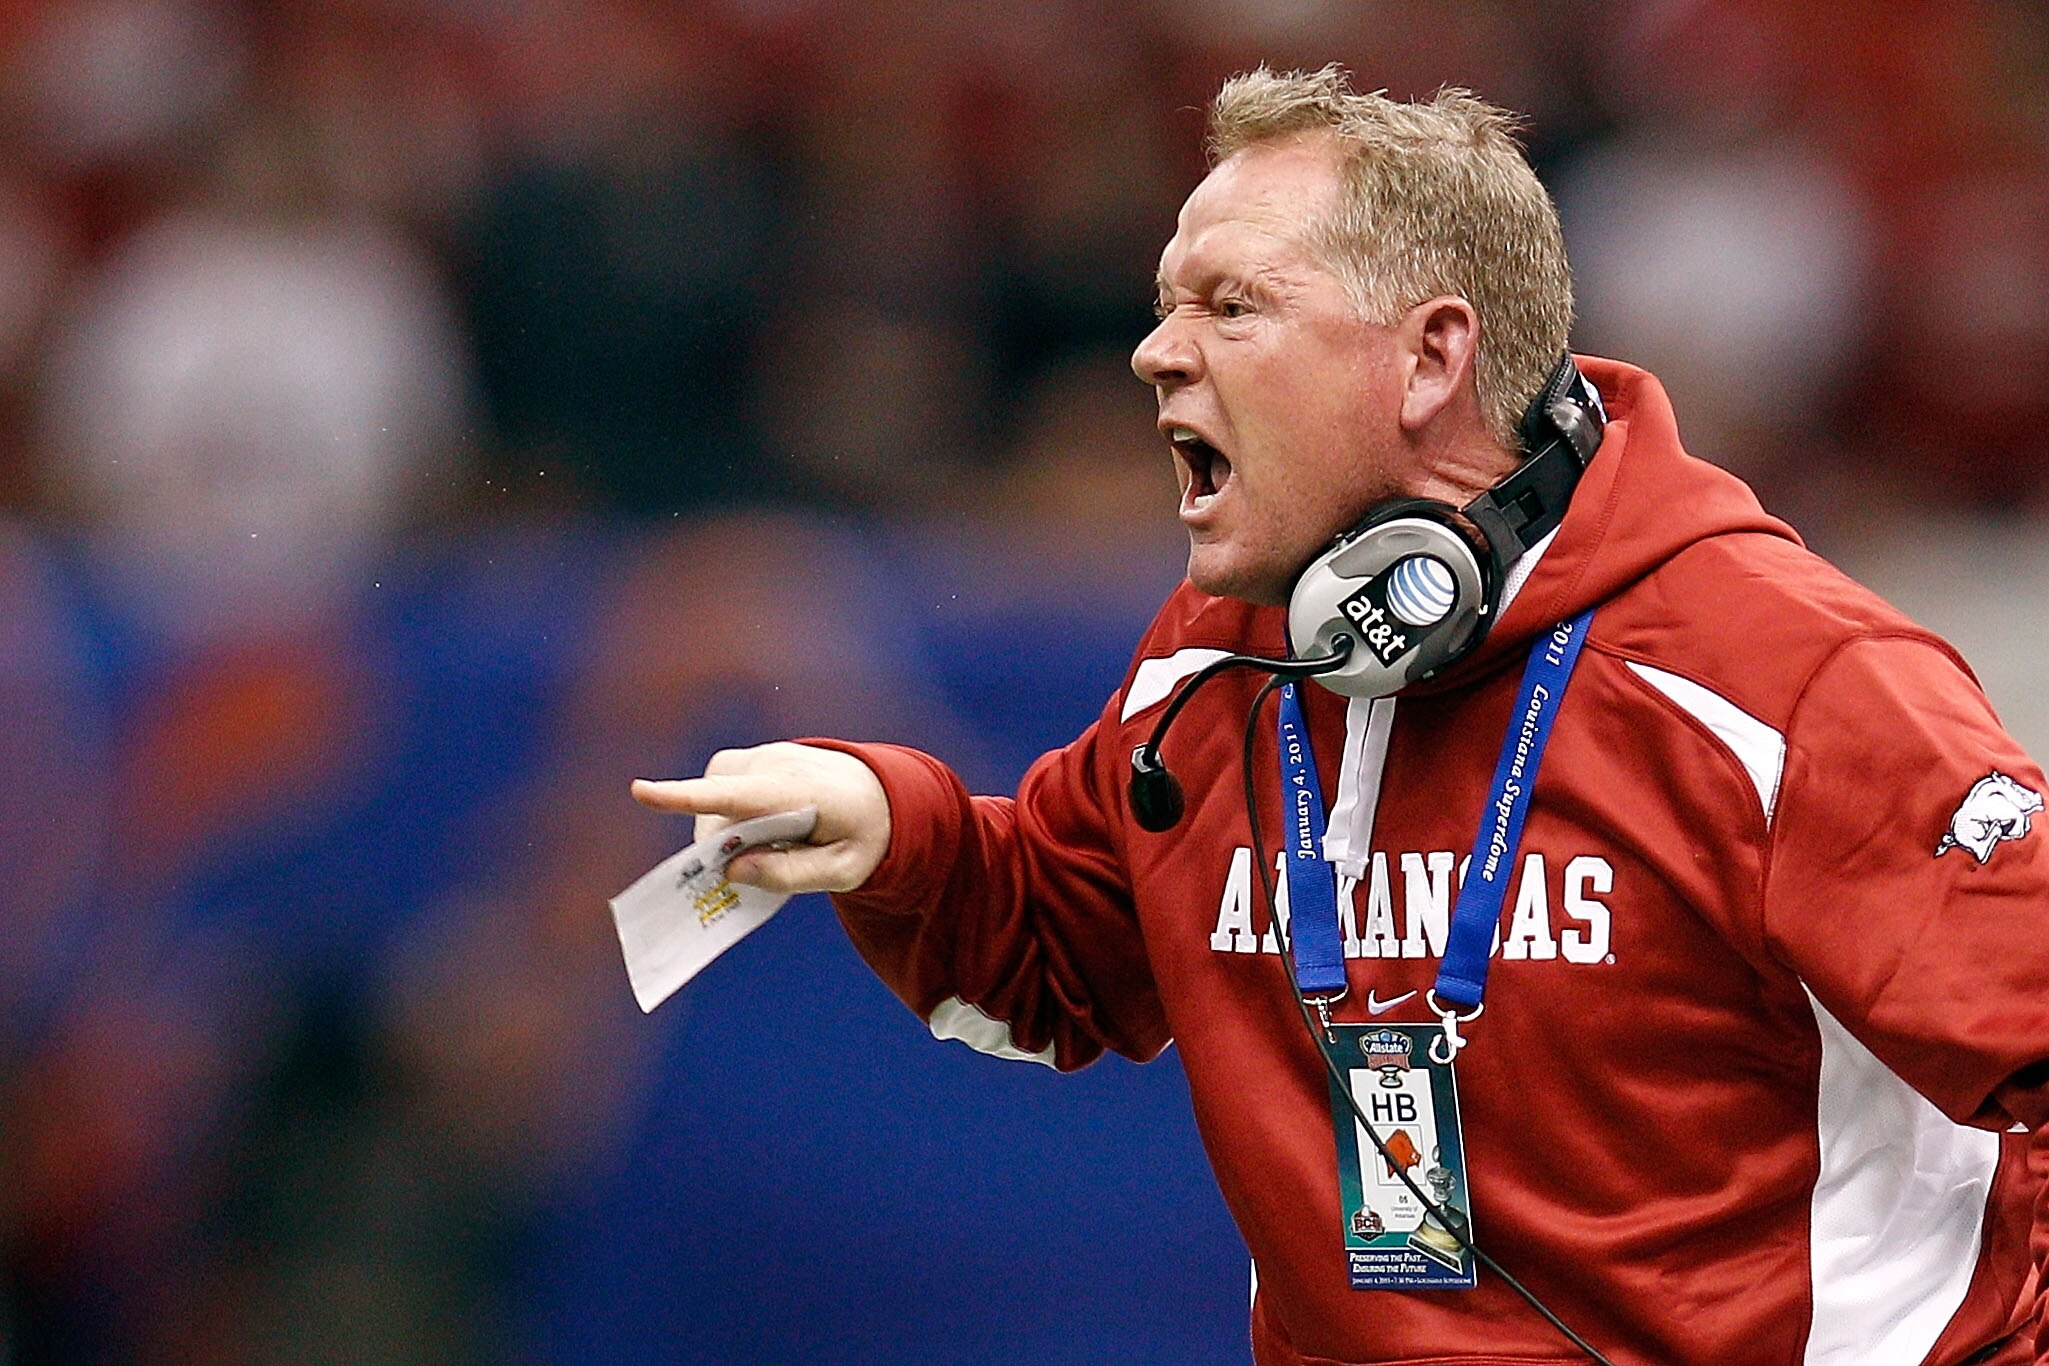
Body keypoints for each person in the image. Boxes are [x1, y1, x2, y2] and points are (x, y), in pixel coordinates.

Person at [632, 66, 2049, 1365]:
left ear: (1430, 356)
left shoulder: (1780, 676)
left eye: (1230, 306)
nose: (1154, 353)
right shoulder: (1224, 657)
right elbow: (1053, 974)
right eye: (1164, 301)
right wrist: (904, 832)